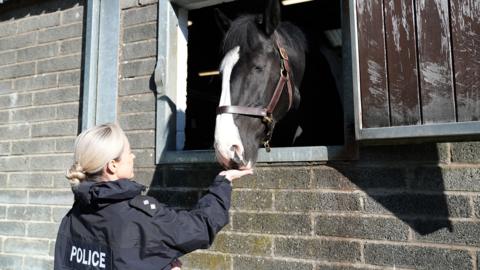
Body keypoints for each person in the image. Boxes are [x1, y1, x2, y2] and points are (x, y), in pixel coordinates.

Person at [54, 123, 253, 270]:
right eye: (129, 152)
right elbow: (201, 228)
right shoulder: (140, 216)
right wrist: (222, 183)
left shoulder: (72, 218)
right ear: (112, 165)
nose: (133, 157)